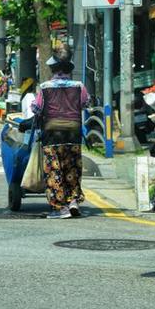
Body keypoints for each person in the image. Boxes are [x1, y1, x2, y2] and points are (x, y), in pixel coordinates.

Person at [32, 46, 90, 219]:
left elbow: (37, 108)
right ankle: (73, 202)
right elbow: (85, 103)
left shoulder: (44, 87)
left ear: (53, 69)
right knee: (72, 169)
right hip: (73, 133)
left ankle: (60, 208)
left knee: (54, 171)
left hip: (52, 134)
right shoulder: (79, 86)